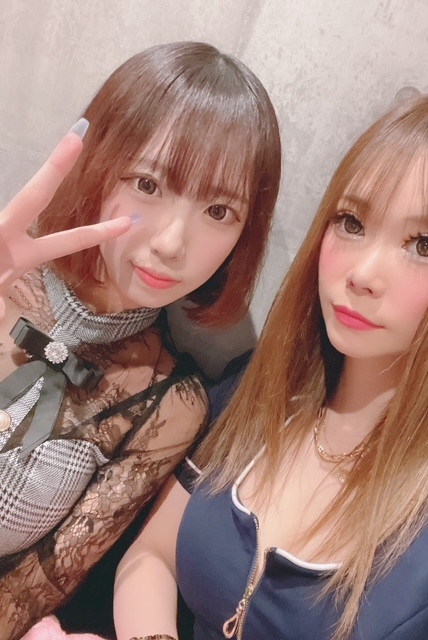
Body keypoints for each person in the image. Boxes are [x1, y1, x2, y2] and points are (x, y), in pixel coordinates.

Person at [114, 92, 428, 640]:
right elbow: (154, 555)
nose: (362, 274)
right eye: (352, 222)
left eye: (425, 245)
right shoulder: (264, 386)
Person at [0, 41, 281, 640]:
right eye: (149, 184)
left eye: (219, 211)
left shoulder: (168, 404)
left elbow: (31, 591)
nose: (172, 243)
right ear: (98, 163)